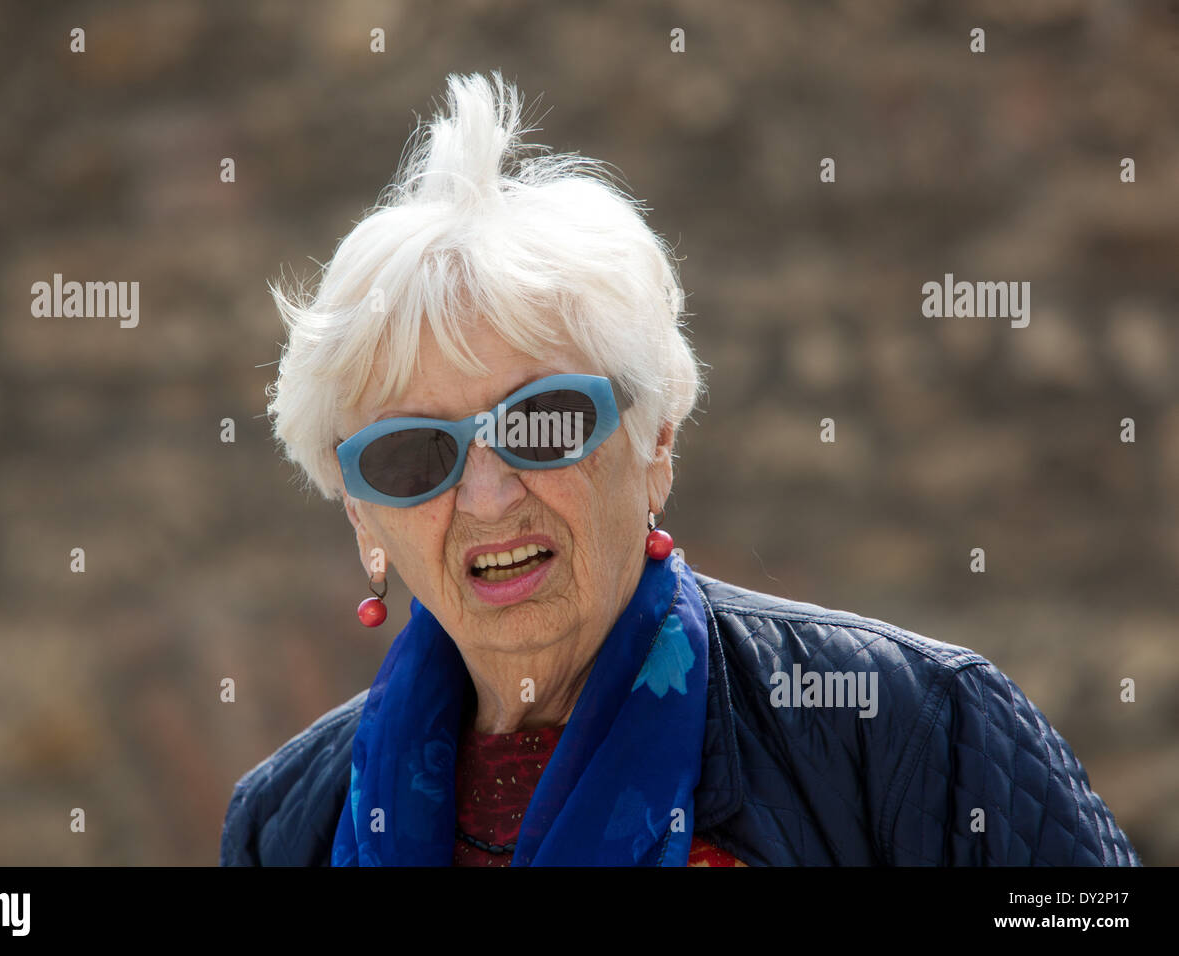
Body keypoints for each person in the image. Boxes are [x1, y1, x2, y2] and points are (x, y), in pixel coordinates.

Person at [220, 71, 1140, 866]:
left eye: (544, 422)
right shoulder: (287, 824)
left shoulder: (914, 733)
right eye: (415, 453)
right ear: (360, 514)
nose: (490, 495)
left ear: (655, 437)